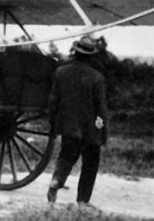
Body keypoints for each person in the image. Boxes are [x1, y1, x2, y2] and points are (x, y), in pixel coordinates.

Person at [45, 35, 109, 209]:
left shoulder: (61, 72)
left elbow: (53, 101)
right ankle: (82, 201)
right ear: (91, 55)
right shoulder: (97, 77)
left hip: (68, 125)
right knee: (90, 164)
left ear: (76, 51)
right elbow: (101, 108)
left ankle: (56, 181)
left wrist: (54, 124)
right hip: (90, 128)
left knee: (66, 156)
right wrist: (103, 133)